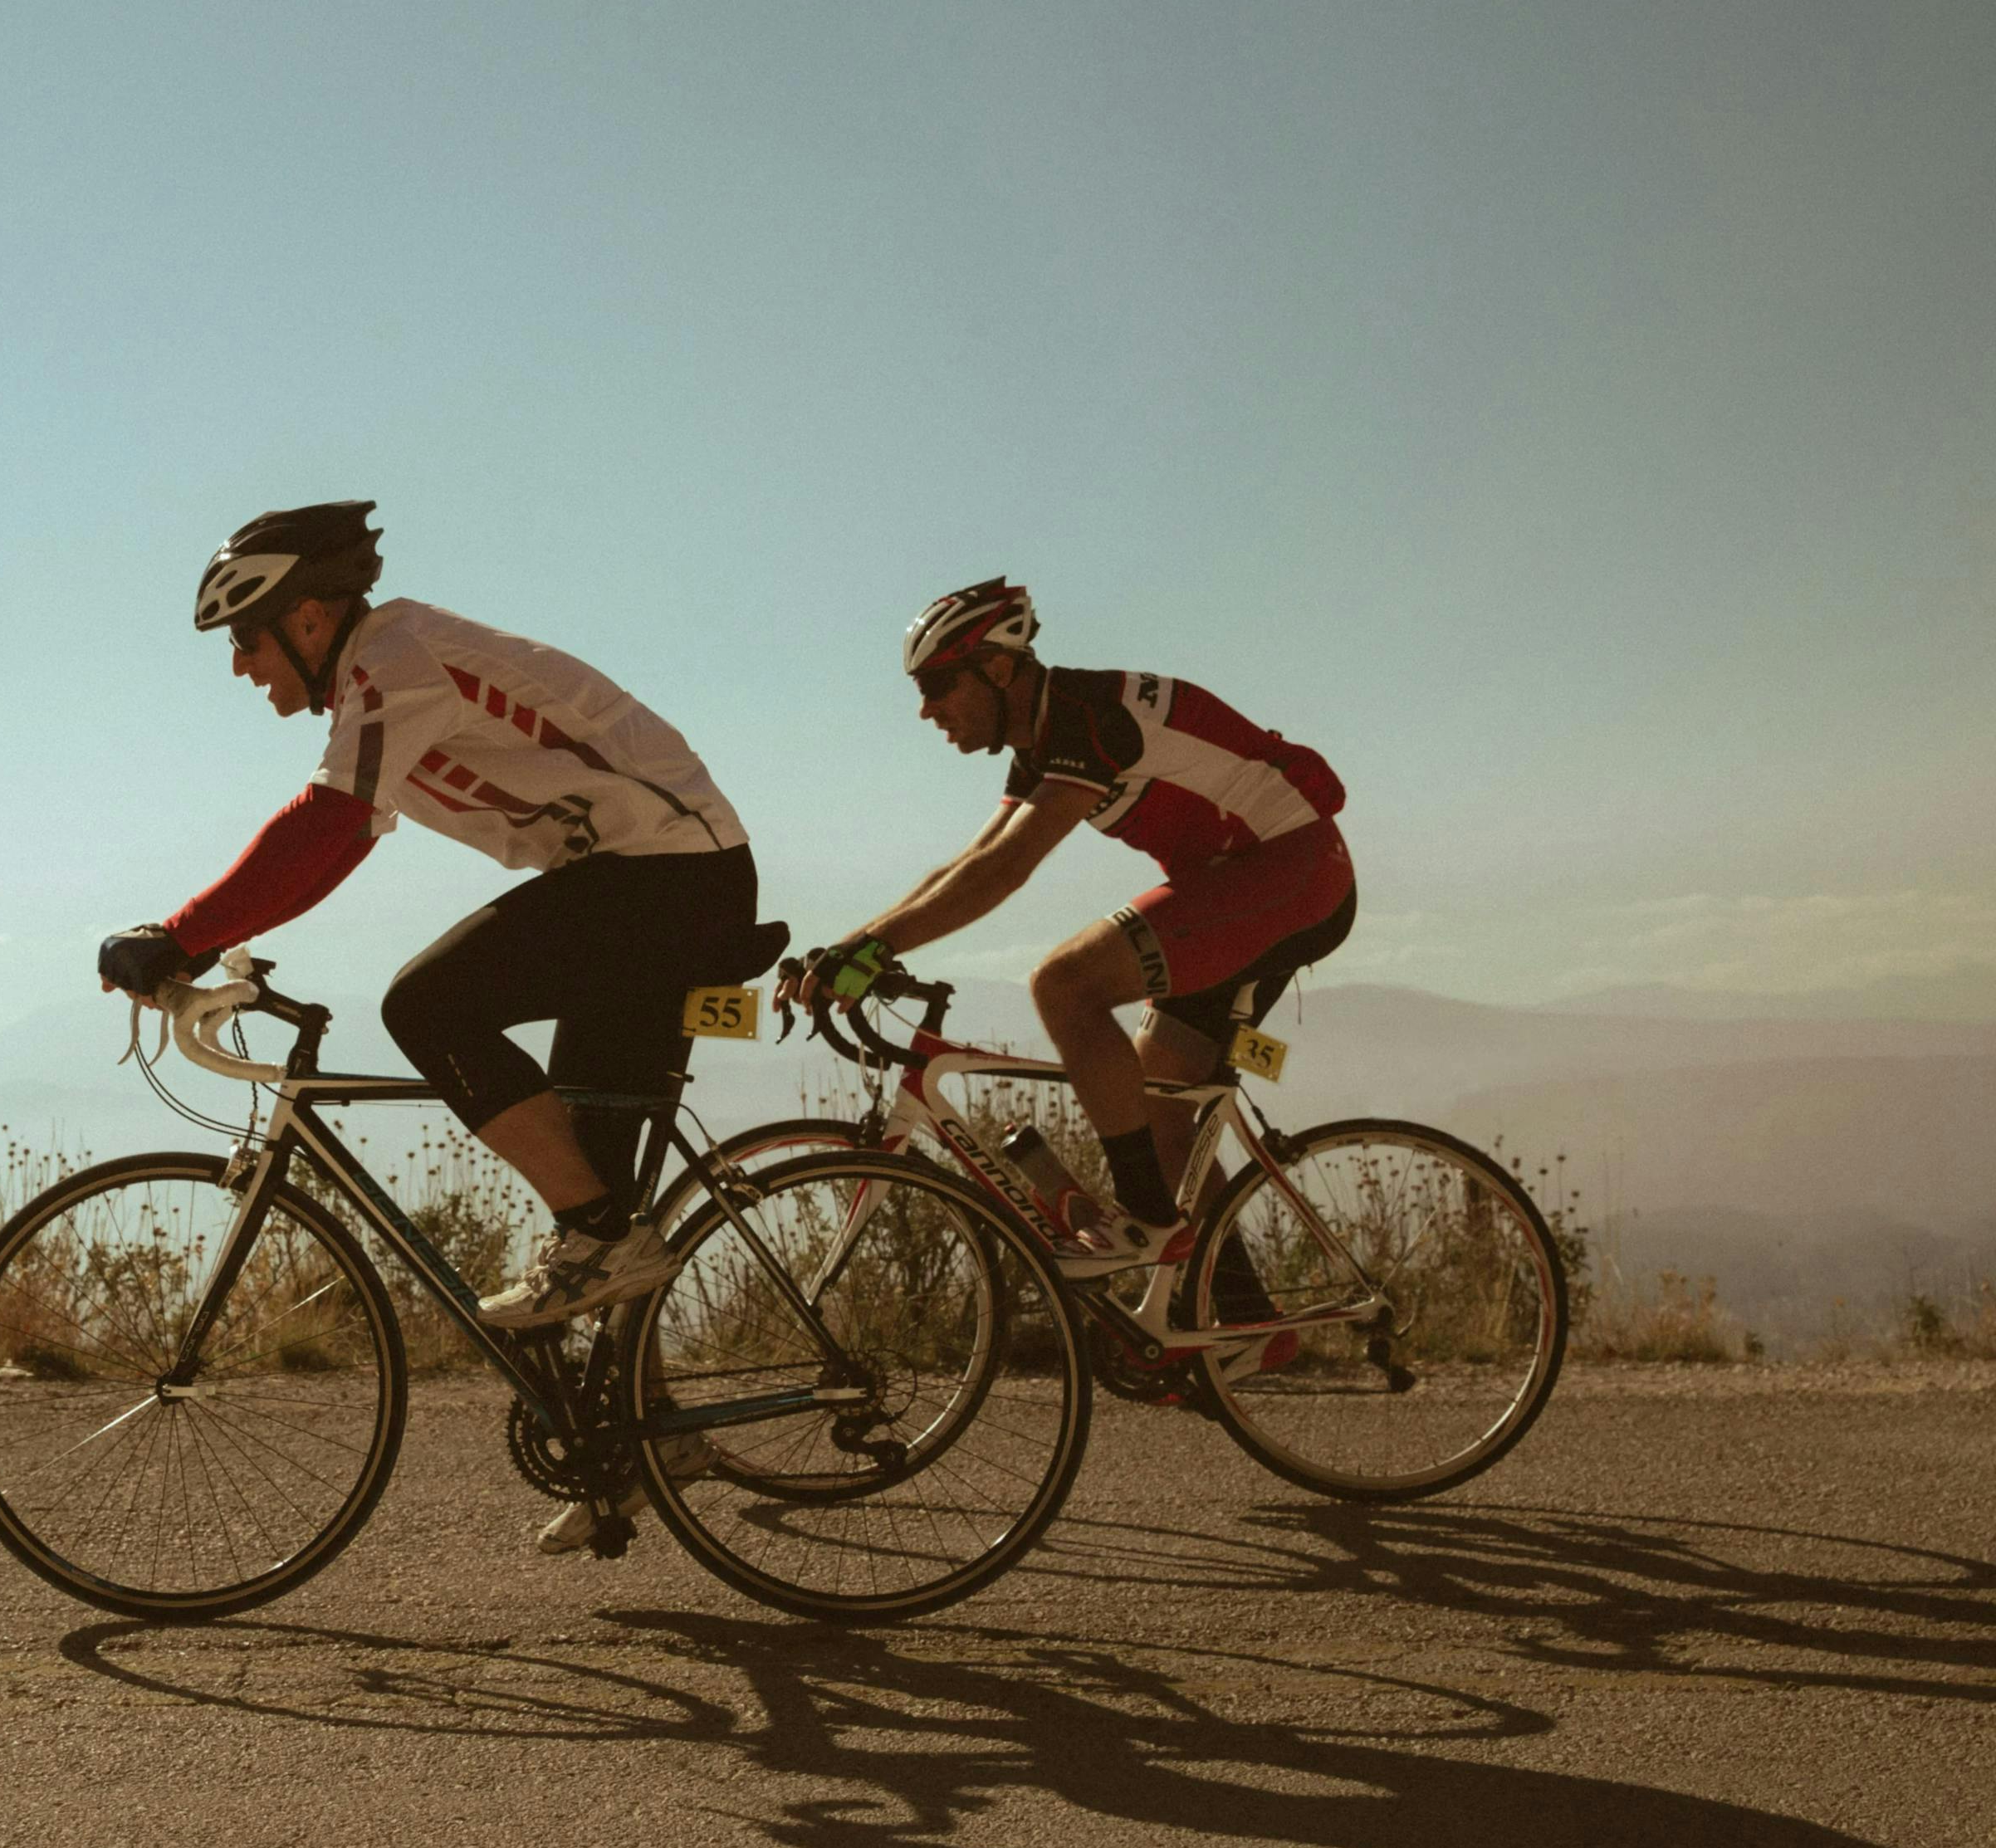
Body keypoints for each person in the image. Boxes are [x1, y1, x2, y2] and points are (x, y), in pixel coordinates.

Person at [96, 502, 765, 1552]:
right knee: (590, 1173)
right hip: (646, 885)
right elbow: (345, 837)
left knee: (429, 1008)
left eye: (246, 638)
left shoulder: (395, 657)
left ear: (309, 618)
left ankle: (602, 1242)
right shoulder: (382, 680)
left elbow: (323, 827)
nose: (239, 666)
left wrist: (178, 938)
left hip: (666, 882)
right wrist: (213, 937)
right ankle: (651, 1432)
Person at [787, 577, 1353, 1270]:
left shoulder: (1090, 718)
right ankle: (1236, 1329)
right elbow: (972, 860)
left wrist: (875, 949)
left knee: (1065, 984)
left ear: (998, 668)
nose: (927, 710)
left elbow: (1005, 871)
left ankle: (1145, 1223)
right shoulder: (1045, 737)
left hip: (1290, 871)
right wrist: (851, 944)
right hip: (1234, 885)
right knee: (1157, 1111)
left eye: (938, 685)